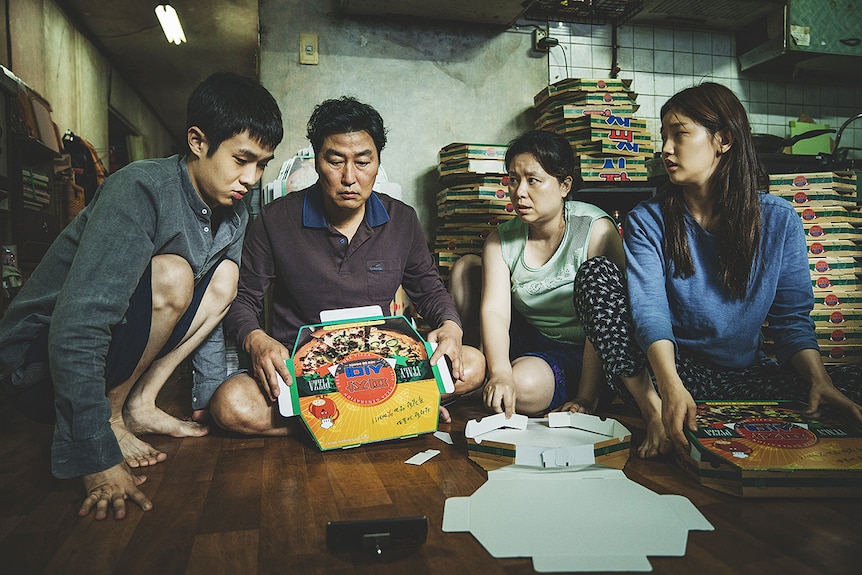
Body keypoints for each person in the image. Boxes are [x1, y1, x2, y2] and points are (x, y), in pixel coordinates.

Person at [0, 71, 283, 520]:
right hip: (36, 364)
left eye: (263, 164)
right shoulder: (139, 188)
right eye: (241, 159)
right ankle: (112, 418)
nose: (251, 177)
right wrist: (96, 454)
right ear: (196, 141)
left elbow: (214, 307)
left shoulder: (235, 209)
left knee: (227, 276)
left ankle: (139, 405)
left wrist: (209, 401)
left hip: (112, 354)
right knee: (173, 274)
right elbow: (79, 325)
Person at [209, 96, 485, 434]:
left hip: (382, 364)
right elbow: (243, 300)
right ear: (317, 161)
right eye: (336, 161)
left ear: (378, 163)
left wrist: (451, 326)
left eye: (363, 162)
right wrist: (256, 340)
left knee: (472, 363)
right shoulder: (275, 220)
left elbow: (429, 290)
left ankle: (332, 420)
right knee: (230, 403)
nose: (349, 177)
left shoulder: (402, 220)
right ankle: (392, 414)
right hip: (306, 370)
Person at [625, 82, 862, 454]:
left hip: (743, 378)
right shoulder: (649, 220)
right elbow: (649, 313)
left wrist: (820, 380)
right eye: (664, 136)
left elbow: (791, 320)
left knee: (850, 383)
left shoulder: (779, 221)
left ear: (724, 140)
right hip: (671, 373)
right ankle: (657, 411)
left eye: (680, 135)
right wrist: (669, 385)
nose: (666, 149)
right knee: (597, 277)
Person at [476, 129, 670, 458]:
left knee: (525, 388)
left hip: (594, 351)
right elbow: (495, 311)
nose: (519, 192)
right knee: (514, 385)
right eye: (513, 179)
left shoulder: (595, 229)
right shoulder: (501, 240)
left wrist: (586, 398)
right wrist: (500, 373)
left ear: (565, 185)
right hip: (539, 346)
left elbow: (607, 318)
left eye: (533, 180)